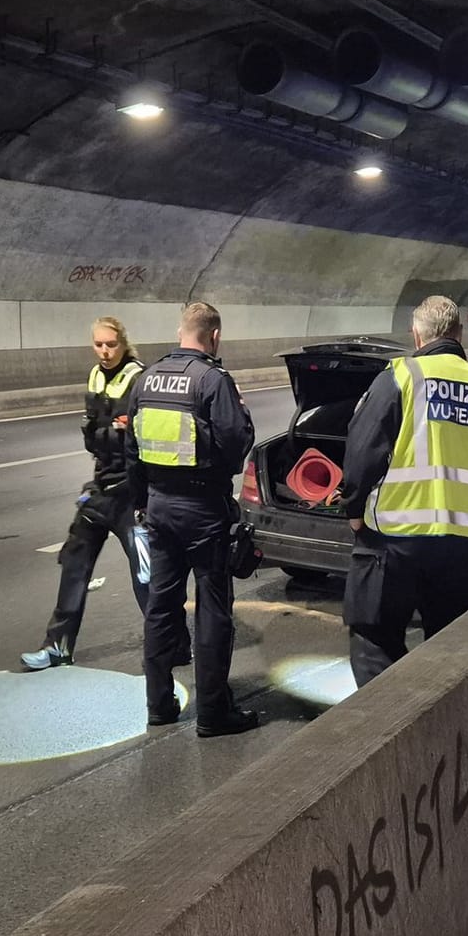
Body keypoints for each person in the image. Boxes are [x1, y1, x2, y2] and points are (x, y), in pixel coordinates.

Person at [338, 296, 468, 686]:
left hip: (394, 541)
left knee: (375, 640)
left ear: (416, 334)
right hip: (467, 546)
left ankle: (388, 717)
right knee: (451, 649)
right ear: (460, 334)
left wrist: (354, 510)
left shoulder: (401, 377)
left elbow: (362, 451)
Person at [125, 302, 258, 736]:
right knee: (212, 609)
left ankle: (159, 706)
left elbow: (131, 451)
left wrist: (144, 503)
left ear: (180, 331)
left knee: (161, 608)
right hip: (203, 510)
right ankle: (213, 713)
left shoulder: (146, 379)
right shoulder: (213, 380)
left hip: (159, 509)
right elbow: (236, 443)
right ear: (214, 336)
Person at [20, 317, 151, 669]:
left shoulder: (139, 378)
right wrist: (109, 432)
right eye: (98, 344)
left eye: (111, 344)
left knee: (146, 575)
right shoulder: (95, 376)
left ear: (123, 343)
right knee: (74, 564)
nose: (104, 351)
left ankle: (171, 644)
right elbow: (94, 436)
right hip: (100, 489)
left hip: (131, 495)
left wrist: (120, 432)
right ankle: (57, 646)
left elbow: (142, 438)